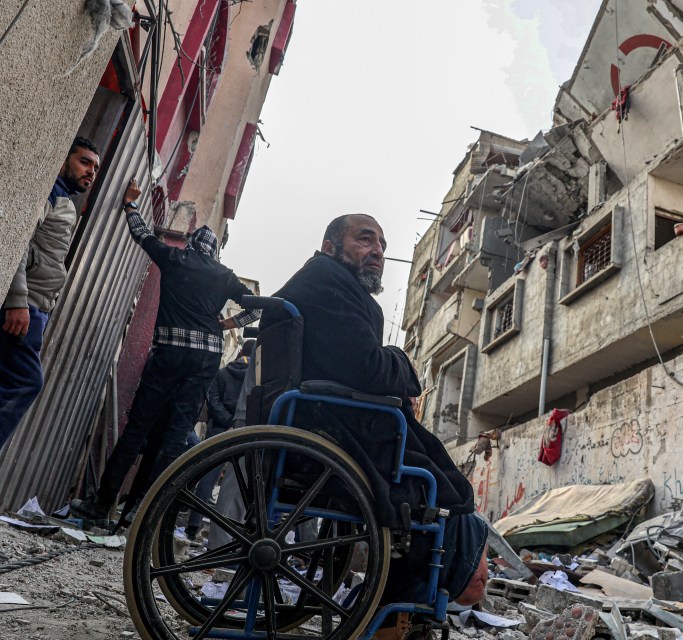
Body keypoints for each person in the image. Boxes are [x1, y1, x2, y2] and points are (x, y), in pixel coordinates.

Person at [261, 214, 488, 614]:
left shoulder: (330, 284)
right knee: (442, 493)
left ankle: (398, 598)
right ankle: (409, 600)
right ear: (331, 246)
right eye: (365, 240)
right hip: (334, 431)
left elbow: (356, 367)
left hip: (329, 423)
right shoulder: (327, 283)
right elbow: (366, 367)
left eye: (382, 244)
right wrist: (404, 366)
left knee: (439, 484)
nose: (378, 252)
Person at [71, 179, 261, 524]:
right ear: (214, 252)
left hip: (170, 352)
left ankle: (100, 508)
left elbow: (142, 234)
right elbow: (256, 309)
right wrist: (227, 326)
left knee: (138, 428)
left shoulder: (175, 258)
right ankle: (140, 516)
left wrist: (130, 204)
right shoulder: (224, 275)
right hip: (205, 359)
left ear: (190, 244)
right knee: (174, 436)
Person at [0, 137, 100, 450]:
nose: (91, 172)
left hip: (34, 309)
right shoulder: (52, 193)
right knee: (26, 381)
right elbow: (18, 240)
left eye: (95, 168)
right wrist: (17, 300)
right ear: (63, 159)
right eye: (85, 162)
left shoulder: (66, 201)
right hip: (23, 309)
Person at [183, 338, 255, 541]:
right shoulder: (256, 377)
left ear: (240, 350)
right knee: (239, 484)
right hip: (244, 430)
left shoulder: (222, 373)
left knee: (207, 481)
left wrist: (226, 422)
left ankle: (192, 526)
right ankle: (233, 536)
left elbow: (212, 401)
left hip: (219, 431)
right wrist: (237, 424)